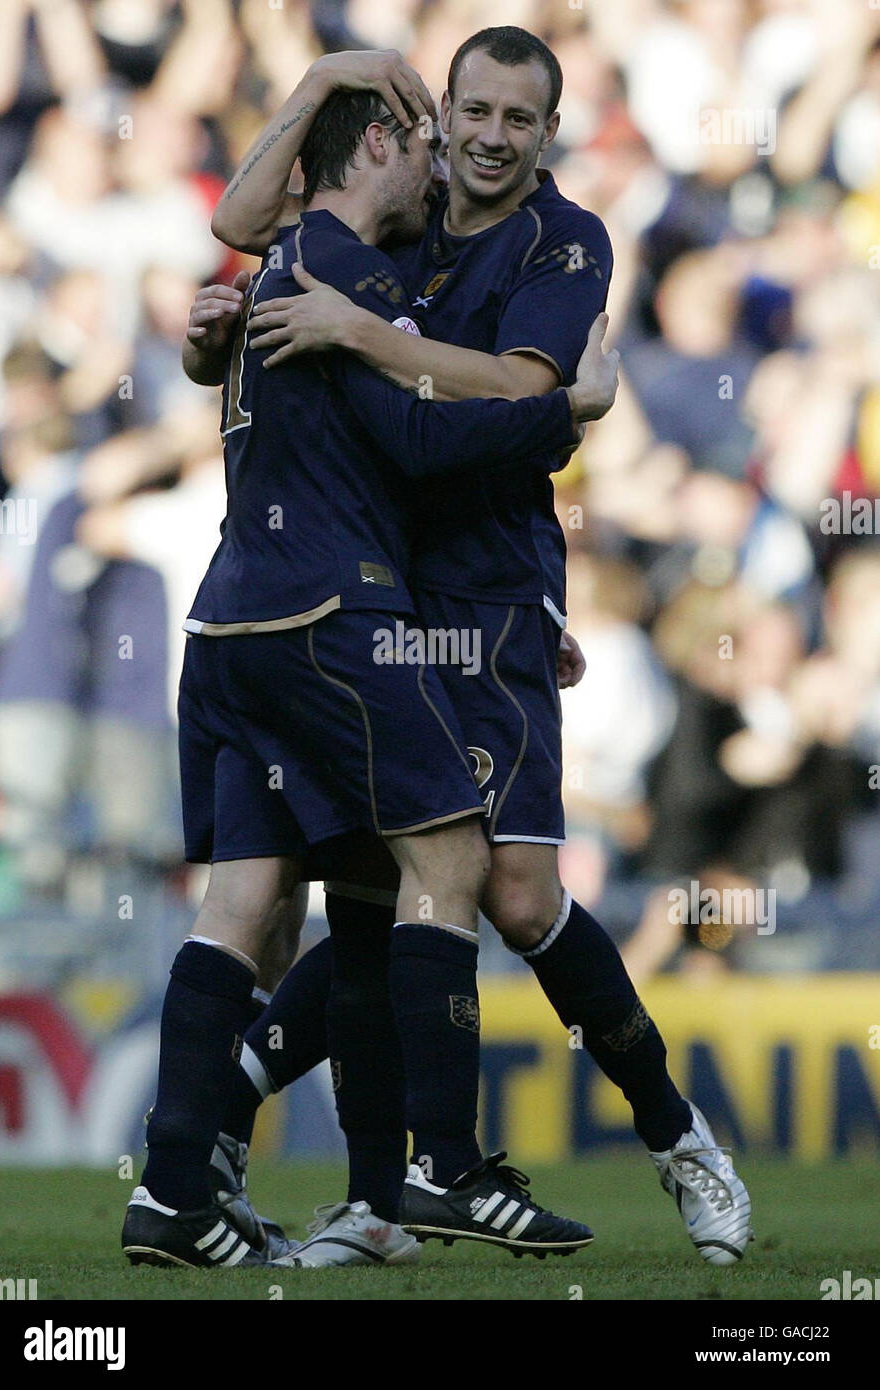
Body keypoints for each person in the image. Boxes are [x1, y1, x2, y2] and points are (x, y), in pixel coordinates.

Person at [193, 28, 752, 1270]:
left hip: (490, 593)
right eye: (477, 111)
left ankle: (678, 1138)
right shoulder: (400, 199)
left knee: (513, 890)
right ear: (439, 113)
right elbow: (242, 223)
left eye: (520, 118)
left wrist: (360, 332)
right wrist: (328, 81)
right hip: (373, 586)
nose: (495, 137)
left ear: (550, 133)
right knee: (376, 890)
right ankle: (379, 1195)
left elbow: (512, 388)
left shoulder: (567, 241)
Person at [121, 80, 614, 1270]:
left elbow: (240, 239)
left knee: (260, 906)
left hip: (227, 624)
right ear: (386, 141)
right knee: (447, 860)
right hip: (331, 614)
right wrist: (569, 409)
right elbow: (427, 430)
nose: (446, 175)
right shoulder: (351, 274)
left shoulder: (270, 264)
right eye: (432, 147)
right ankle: (441, 1162)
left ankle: (173, 1192)